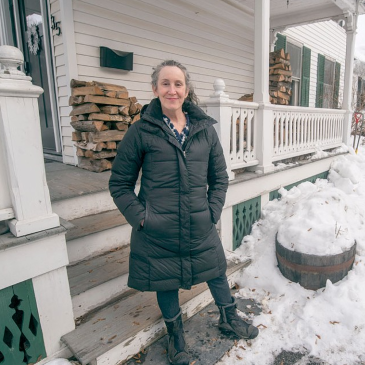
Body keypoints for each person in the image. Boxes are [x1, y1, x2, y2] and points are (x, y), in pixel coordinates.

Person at [109, 60, 258, 365]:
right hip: (157, 227)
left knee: (216, 269)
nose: (172, 89)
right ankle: (176, 336)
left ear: (187, 89)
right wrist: (142, 217)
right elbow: (120, 184)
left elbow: (220, 178)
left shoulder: (204, 130)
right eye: (165, 83)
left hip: (198, 220)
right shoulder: (140, 132)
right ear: (155, 89)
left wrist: (212, 211)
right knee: (165, 281)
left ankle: (228, 315)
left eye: (178, 84)